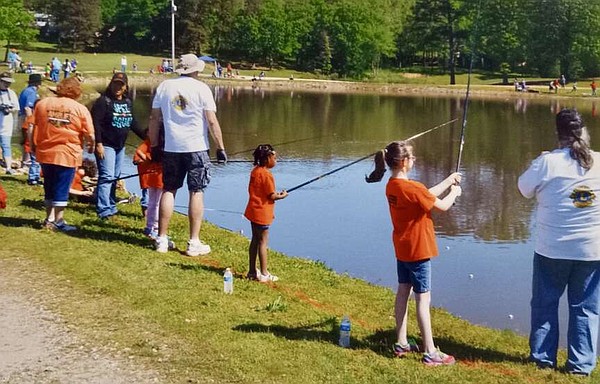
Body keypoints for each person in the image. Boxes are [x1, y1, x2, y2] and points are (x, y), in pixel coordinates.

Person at [518, 109, 600, 376]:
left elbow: (523, 189)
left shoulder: (547, 162)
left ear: (558, 133)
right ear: (584, 132)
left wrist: (538, 161)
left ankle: (542, 359)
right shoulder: (598, 162)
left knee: (545, 303)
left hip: (552, 249)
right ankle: (581, 366)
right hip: (591, 250)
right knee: (586, 309)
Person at [365, 140, 462, 366]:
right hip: (419, 250)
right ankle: (430, 351)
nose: (415, 160)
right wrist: (455, 193)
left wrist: (449, 180)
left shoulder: (392, 185)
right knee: (422, 299)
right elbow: (441, 206)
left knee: (403, 292)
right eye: (412, 157)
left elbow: (424, 196)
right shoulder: (413, 188)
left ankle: (401, 342)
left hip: (403, 248)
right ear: (405, 162)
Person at [148, 53, 227, 256]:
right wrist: (220, 147)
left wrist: (154, 144)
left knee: (169, 189)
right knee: (197, 191)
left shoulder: (165, 87)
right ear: (196, 69)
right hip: (197, 147)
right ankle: (193, 242)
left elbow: (154, 118)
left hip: (171, 147)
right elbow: (211, 120)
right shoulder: (202, 88)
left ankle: (162, 239)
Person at [32, 77, 95, 232]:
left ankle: (49, 218)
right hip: (67, 153)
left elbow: (33, 127)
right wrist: (91, 146)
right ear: (77, 92)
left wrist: (34, 145)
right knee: (62, 186)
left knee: (49, 184)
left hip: (45, 151)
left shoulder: (42, 104)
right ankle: (58, 220)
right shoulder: (80, 109)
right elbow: (90, 134)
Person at [91, 72, 145, 220]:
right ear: (111, 84)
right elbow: (96, 124)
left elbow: (133, 123)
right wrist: (99, 144)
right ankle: (103, 210)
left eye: (121, 84)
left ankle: (111, 205)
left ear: (126, 86)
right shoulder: (103, 101)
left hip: (120, 146)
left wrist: (148, 138)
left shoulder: (127, 102)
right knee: (107, 176)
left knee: (115, 177)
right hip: (106, 145)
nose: (117, 87)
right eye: (115, 83)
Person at [244, 144, 288, 282]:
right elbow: (271, 196)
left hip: (253, 210)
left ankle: (252, 271)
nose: (276, 160)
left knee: (255, 240)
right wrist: (282, 195)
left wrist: (274, 194)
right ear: (267, 158)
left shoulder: (255, 171)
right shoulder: (267, 175)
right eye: (275, 158)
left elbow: (262, 192)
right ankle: (264, 274)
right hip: (262, 213)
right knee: (263, 242)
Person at [133, 129, 164, 240]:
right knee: (157, 203)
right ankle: (154, 228)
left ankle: (150, 226)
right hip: (157, 178)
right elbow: (138, 155)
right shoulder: (156, 143)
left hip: (155, 178)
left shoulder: (149, 143)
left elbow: (139, 152)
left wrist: (147, 158)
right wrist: (148, 158)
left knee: (153, 202)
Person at [19, 73, 43, 184]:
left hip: (23, 118)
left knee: (26, 142)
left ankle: (25, 162)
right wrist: (31, 120)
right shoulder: (31, 92)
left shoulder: (25, 90)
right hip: (28, 120)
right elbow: (28, 108)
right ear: (38, 83)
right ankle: (28, 166)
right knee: (30, 142)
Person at [0, 72, 20, 175]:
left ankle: (8, 167)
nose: (7, 85)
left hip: (6, 125)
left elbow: (16, 108)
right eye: (5, 82)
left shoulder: (11, 93)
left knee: (6, 146)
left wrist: (9, 109)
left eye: (9, 83)